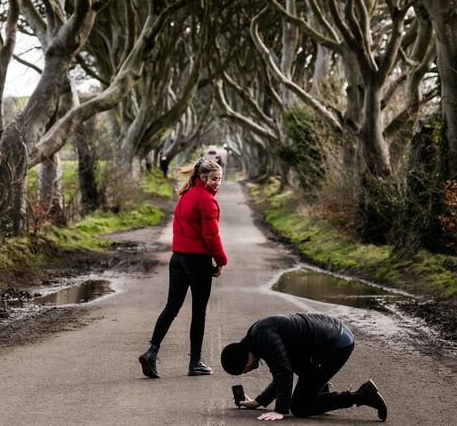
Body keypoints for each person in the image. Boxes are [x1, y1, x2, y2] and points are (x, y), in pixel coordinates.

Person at [139, 158, 227, 378]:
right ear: (203, 177)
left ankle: (152, 350)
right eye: (215, 179)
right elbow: (211, 236)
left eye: (220, 179)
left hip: (177, 258)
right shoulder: (207, 200)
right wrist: (221, 260)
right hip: (197, 261)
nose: (218, 183)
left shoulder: (185, 196)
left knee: (172, 307)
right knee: (198, 311)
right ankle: (195, 362)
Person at [220, 313, 387, 422]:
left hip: (337, 344)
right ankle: (320, 391)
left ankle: (362, 395)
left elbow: (283, 371)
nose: (247, 371)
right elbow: (282, 371)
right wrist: (259, 401)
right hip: (332, 334)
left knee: (299, 407)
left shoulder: (263, 338)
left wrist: (280, 410)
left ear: (244, 361)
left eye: (244, 370)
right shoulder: (256, 338)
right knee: (298, 370)